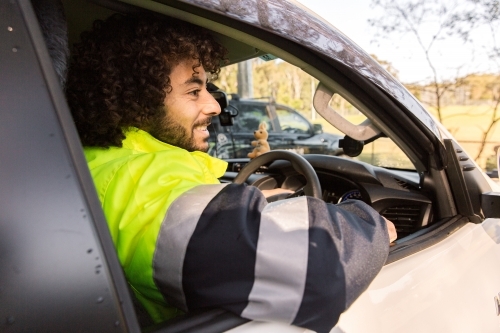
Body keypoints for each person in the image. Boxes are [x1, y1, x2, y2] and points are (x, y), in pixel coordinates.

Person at [66, 13, 397, 333]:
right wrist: (369, 224)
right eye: (194, 91)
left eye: (208, 89)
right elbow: (312, 272)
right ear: (138, 101)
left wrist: (253, 201)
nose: (214, 105)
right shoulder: (141, 180)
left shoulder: (101, 162)